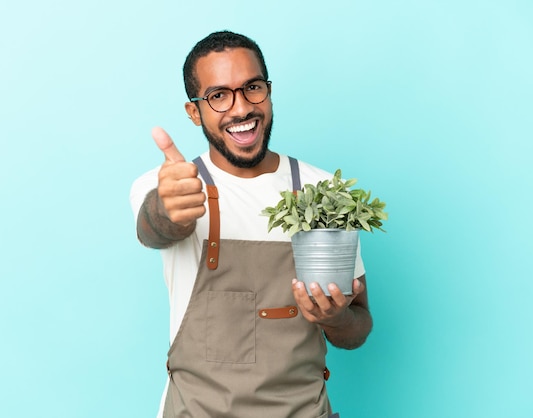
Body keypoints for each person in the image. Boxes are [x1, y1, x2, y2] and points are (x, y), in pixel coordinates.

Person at [130, 30, 372, 418]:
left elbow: (358, 326)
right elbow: (154, 227)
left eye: (252, 88)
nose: (241, 108)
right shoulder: (171, 186)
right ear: (195, 112)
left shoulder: (325, 192)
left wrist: (335, 317)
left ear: (269, 92)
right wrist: (168, 209)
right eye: (219, 95)